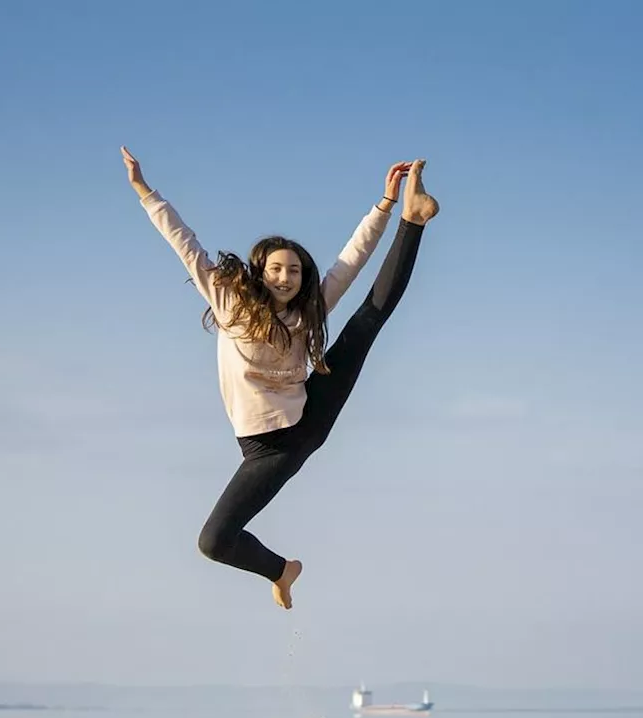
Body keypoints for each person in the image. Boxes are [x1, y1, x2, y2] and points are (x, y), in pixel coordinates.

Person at [121, 146, 438, 609]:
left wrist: (386, 206)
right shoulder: (228, 303)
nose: (285, 277)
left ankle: (415, 218)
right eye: (276, 269)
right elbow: (183, 243)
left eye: (294, 270)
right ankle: (282, 570)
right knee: (214, 542)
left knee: (368, 320)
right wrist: (145, 191)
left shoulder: (309, 311)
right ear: (260, 272)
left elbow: (350, 261)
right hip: (262, 448)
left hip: (302, 423)